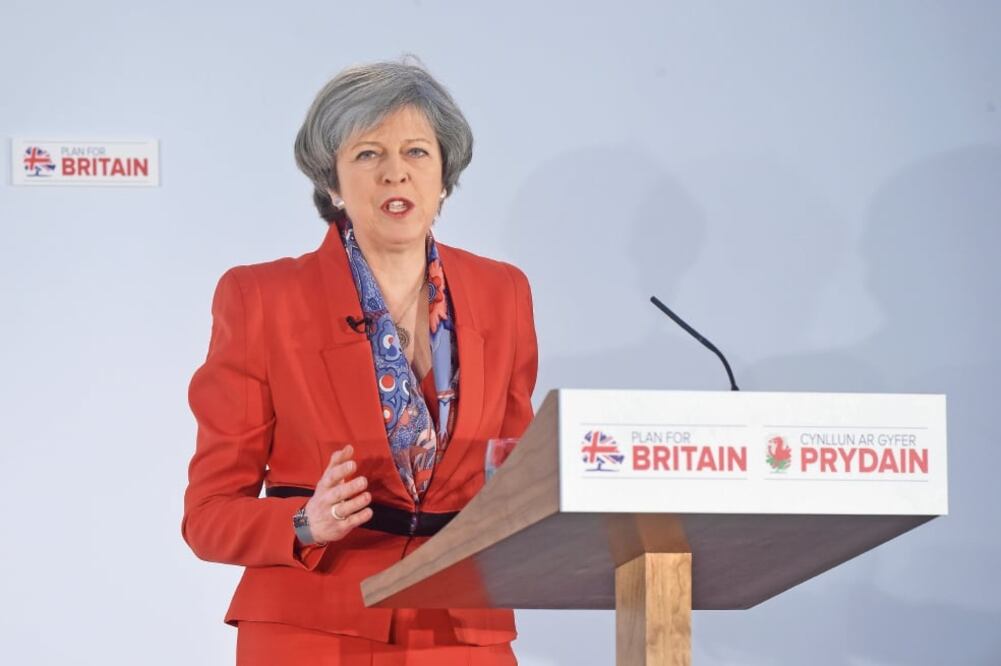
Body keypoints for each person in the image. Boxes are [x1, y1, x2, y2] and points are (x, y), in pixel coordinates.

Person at [181, 59, 538, 665]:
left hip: (462, 633)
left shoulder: (503, 292)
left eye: (418, 153)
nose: (395, 172)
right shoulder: (260, 298)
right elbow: (208, 515)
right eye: (369, 154)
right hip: (314, 627)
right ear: (333, 184)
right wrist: (303, 522)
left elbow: (519, 474)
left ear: (445, 176)